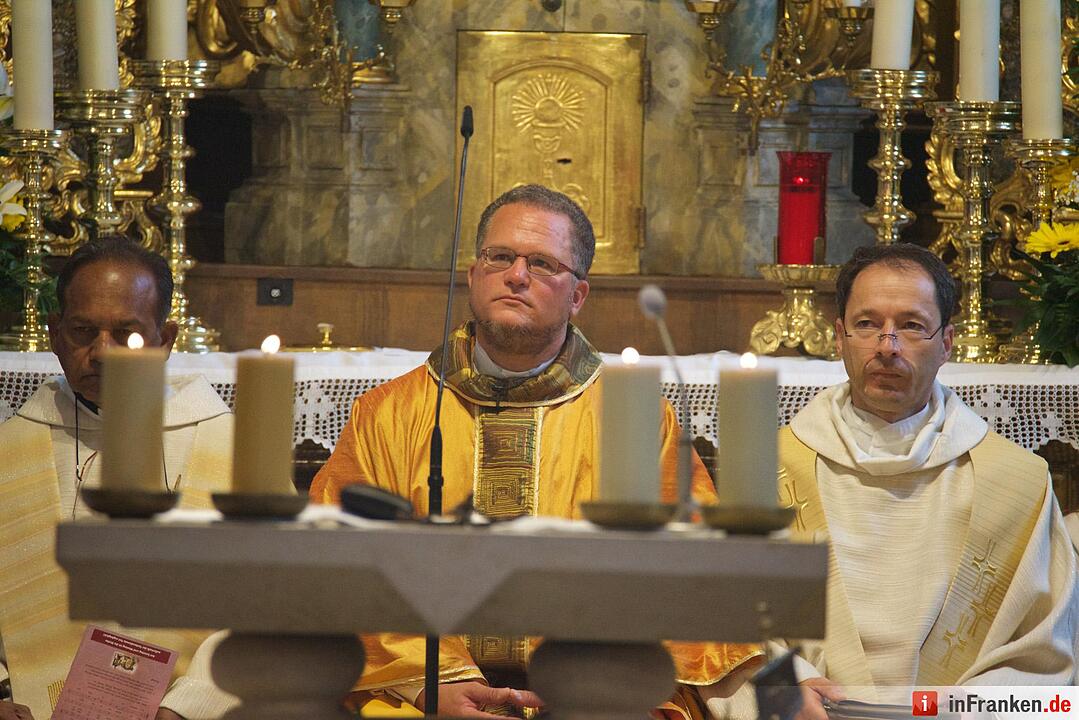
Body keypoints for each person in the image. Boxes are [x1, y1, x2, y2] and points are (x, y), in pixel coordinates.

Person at [312, 185, 761, 719]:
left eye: (543, 263)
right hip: (424, 690)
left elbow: (692, 576)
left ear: (577, 296)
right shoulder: (387, 414)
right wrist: (434, 684)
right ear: (475, 275)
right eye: (499, 257)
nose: (517, 275)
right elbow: (342, 568)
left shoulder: (636, 418)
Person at [719, 244, 1077, 719]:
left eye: (911, 325)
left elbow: (1045, 646)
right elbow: (723, 620)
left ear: (946, 342)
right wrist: (785, 687)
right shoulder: (766, 467)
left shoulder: (1016, 481)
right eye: (867, 324)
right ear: (840, 336)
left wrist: (965, 708)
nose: (887, 346)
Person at [0, 237, 235, 720]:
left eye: (126, 334)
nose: (101, 352)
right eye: (83, 331)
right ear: (54, 333)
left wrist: (188, 707)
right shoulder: (11, 448)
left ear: (164, 340)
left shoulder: (227, 446)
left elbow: (264, 597)